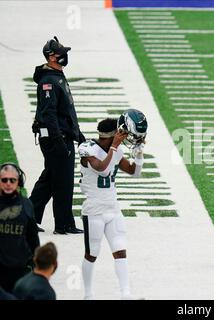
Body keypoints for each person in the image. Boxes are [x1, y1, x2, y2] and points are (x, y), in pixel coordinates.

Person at [79, 111, 147, 300]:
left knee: (120, 251)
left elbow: (134, 172)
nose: (124, 138)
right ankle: (88, 295)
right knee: (92, 254)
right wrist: (115, 147)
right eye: (119, 135)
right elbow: (101, 169)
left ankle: (125, 294)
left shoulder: (115, 151)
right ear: (110, 136)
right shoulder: (87, 149)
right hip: (93, 209)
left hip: (112, 208)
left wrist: (139, 154)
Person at [30, 36, 85, 235]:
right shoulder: (48, 81)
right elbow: (49, 114)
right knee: (63, 180)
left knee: (51, 178)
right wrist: (59, 140)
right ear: (51, 57)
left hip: (62, 135)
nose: (65, 56)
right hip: (55, 137)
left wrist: (77, 133)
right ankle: (64, 224)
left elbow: (65, 110)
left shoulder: (57, 75)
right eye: (61, 53)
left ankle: (28, 217)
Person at [0, 163, 40, 293]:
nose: (8, 183)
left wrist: (36, 264)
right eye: (4, 180)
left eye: (12, 180)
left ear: (19, 182)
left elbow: (33, 238)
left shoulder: (27, 205)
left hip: (21, 271)